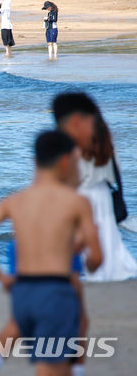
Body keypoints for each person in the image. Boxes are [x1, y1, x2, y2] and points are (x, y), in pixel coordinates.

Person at [0, 130, 102, 376]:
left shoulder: (14, 200)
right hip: (55, 291)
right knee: (51, 366)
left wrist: (1, 277)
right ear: (66, 161)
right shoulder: (75, 201)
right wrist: (83, 254)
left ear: (35, 161)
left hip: (22, 290)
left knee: (16, 337)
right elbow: (97, 259)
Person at [0, 240, 89, 376]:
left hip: (22, 246)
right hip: (59, 247)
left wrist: (1, 277)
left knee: (15, 326)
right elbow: (94, 258)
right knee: (69, 326)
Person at [53, 92, 137, 281]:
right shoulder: (103, 135)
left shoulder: (72, 138)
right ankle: (111, 274)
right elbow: (117, 167)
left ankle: (94, 276)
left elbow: (68, 174)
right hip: (102, 193)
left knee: (84, 240)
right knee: (107, 237)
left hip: (80, 194)